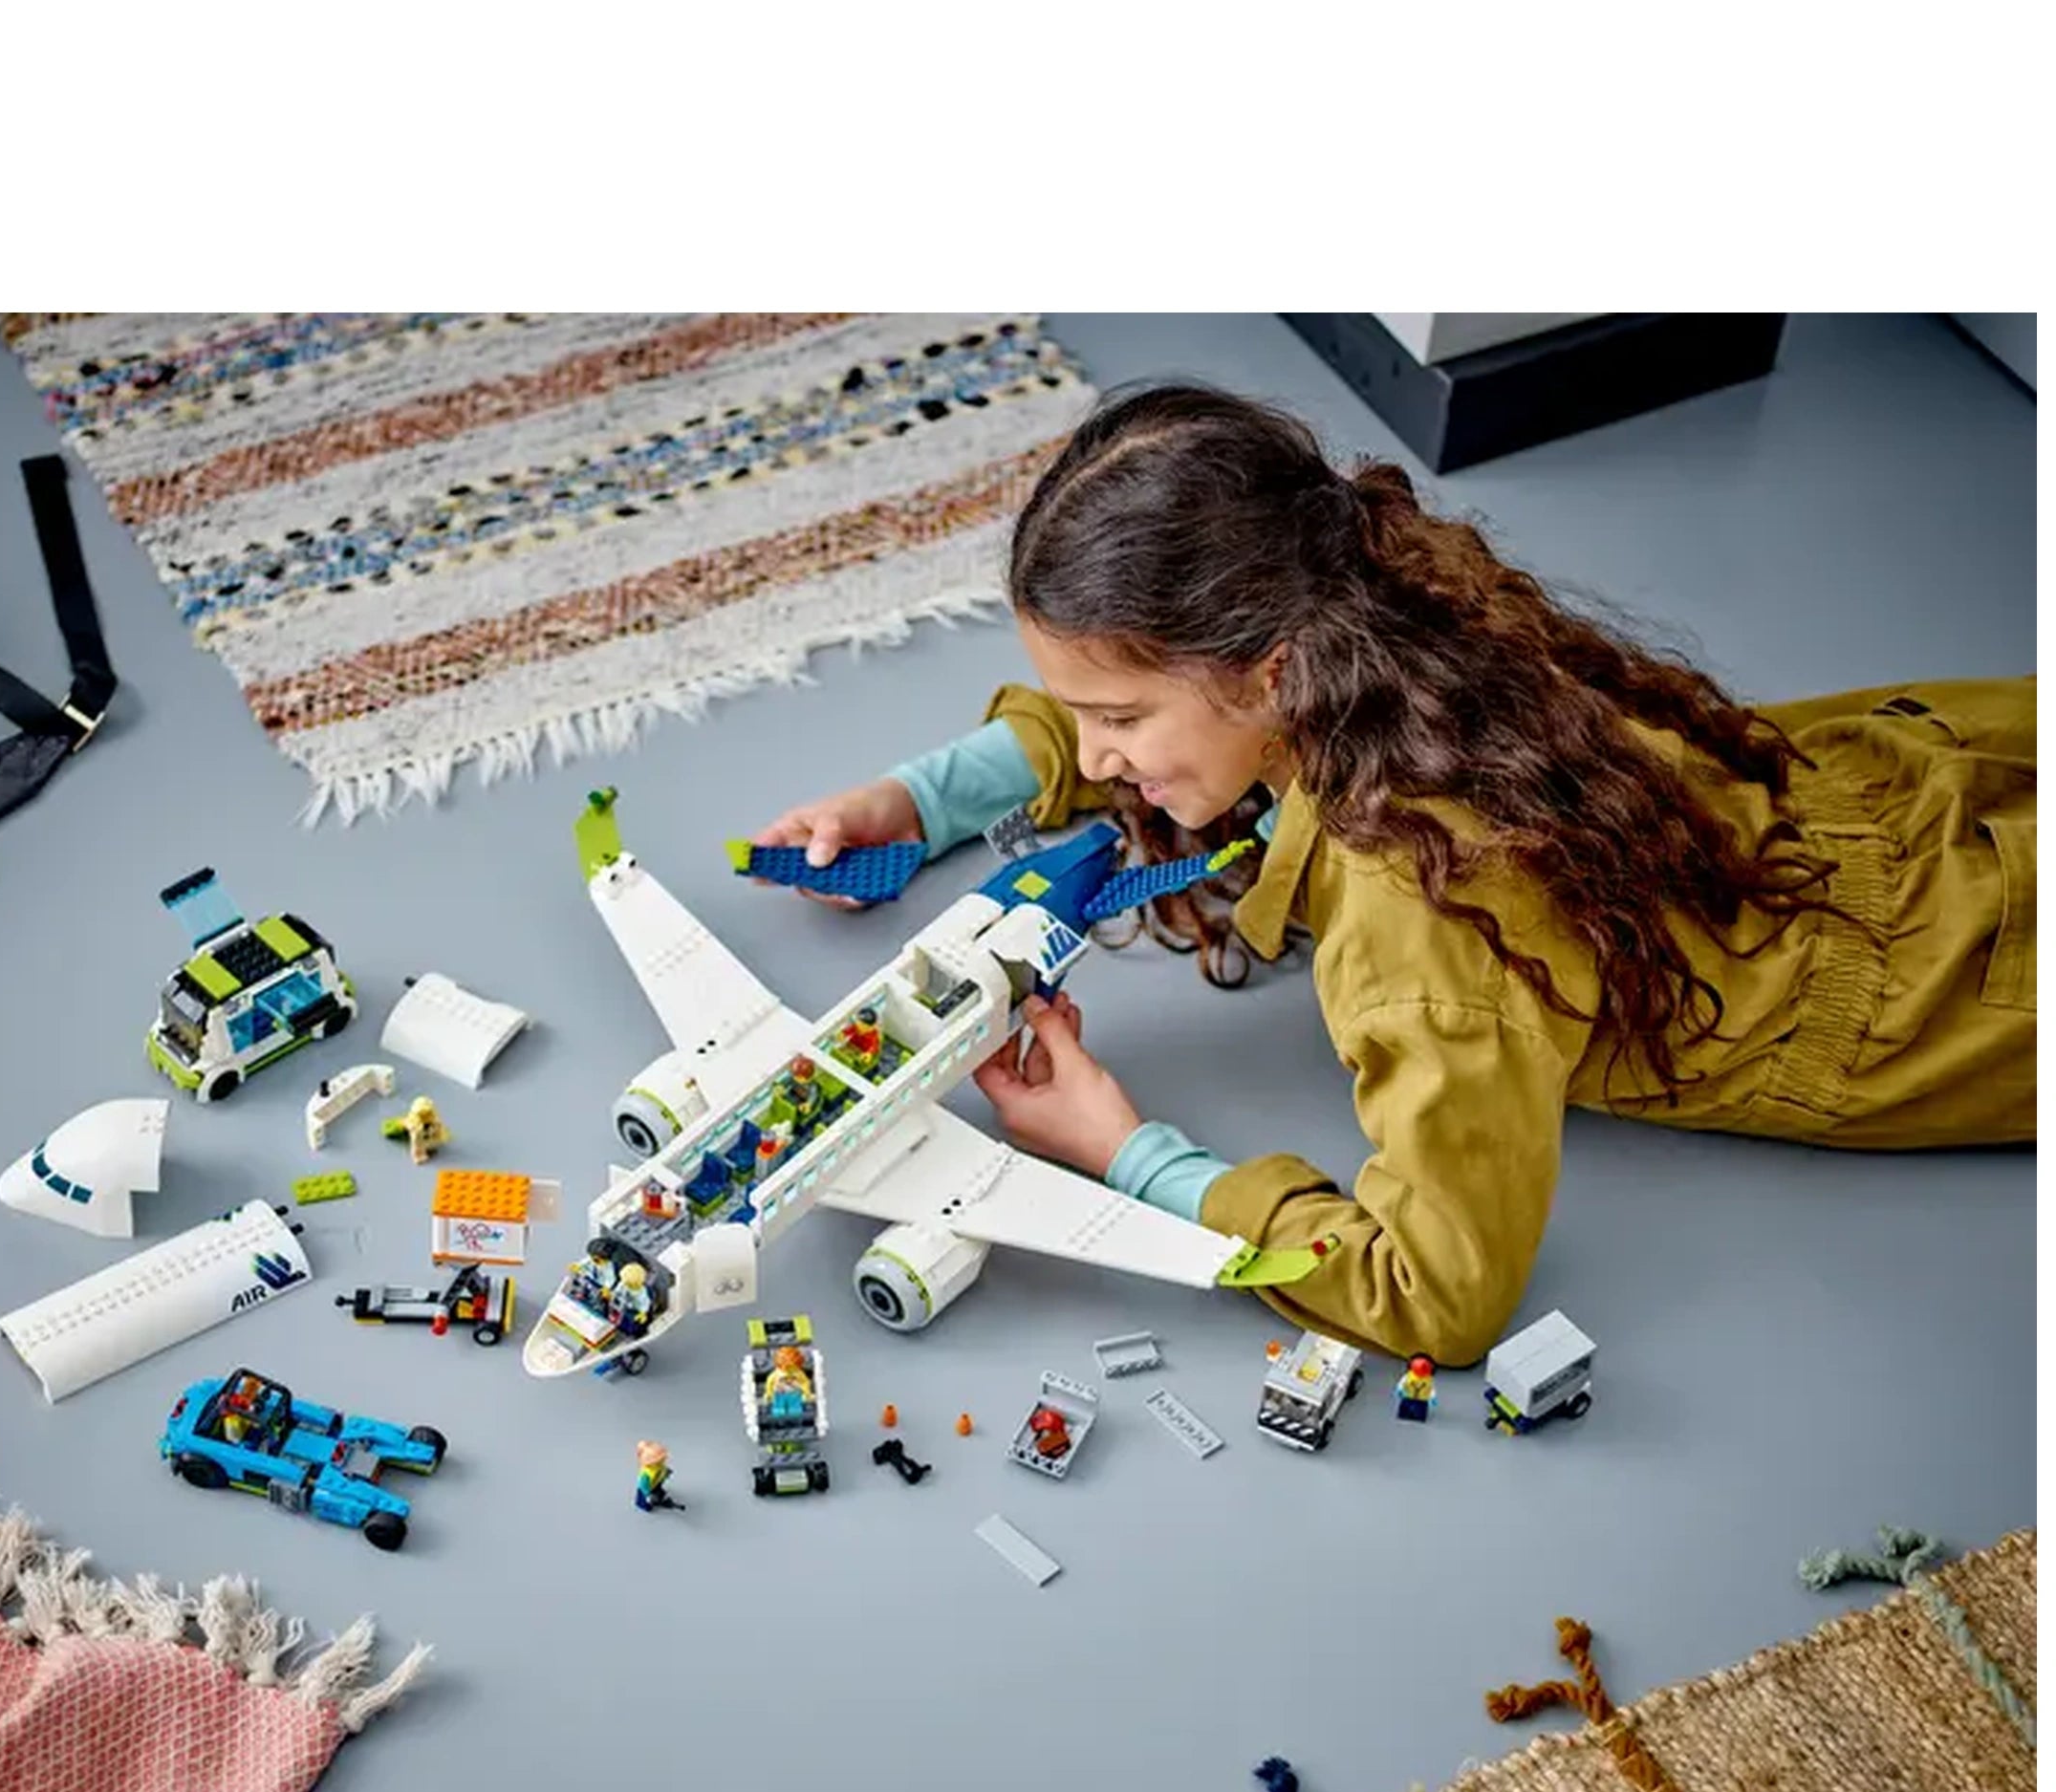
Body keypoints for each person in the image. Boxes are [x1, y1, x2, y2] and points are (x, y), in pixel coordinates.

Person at [744, 382, 2035, 1363]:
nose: (1092, 752)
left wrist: (1123, 1148)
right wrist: (921, 795)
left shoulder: (1423, 918)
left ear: (1272, 673)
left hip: (1961, 993)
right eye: (1082, 715)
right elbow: (1129, 691)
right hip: (1899, 796)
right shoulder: (1366, 575)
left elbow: (1439, 1292)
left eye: (1120, 723)